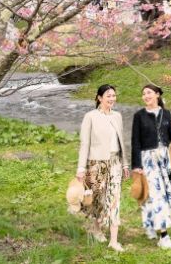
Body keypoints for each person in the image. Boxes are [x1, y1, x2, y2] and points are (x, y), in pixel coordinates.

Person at [76, 85, 128, 251]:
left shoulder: (118, 116)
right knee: (97, 200)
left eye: (114, 95)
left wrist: (125, 163)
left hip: (115, 163)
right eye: (108, 96)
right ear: (99, 98)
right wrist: (81, 168)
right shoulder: (90, 116)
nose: (112, 99)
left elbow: (122, 142)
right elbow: (85, 143)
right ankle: (96, 229)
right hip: (96, 163)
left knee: (114, 199)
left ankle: (113, 241)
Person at [131, 84, 171, 249]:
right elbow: (135, 141)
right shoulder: (139, 116)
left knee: (166, 193)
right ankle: (164, 236)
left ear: (157, 95)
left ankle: (150, 224)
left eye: (149, 93)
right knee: (154, 194)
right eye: (144, 93)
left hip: (164, 159)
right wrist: (136, 165)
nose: (146, 96)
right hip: (148, 160)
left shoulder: (165, 113)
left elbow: (169, 137)